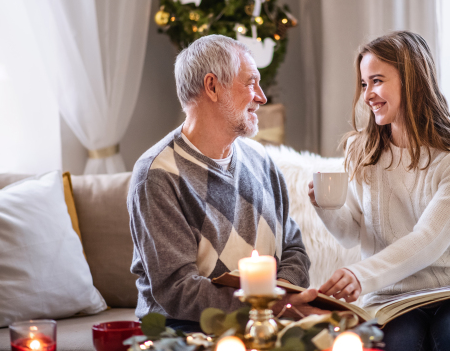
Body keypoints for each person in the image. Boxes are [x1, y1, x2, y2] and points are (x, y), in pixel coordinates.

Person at [308, 31, 450, 351]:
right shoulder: (361, 151)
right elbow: (350, 234)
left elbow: (428, 239)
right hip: (393, 298)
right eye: (363, 84)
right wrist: (324, 205)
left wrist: (360, 275)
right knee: (397, 345)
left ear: (411, 81)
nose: (367, 95)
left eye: (376, 81)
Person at [128, 34, 324, 333]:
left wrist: (280, 304)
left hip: (267, 324)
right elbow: (177, 289)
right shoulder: (157, 174)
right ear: (212, 86)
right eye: (250, 82)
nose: (261, 96)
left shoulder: (261, 159)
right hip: (188, 331)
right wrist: (265, 307)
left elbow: (293, 247)